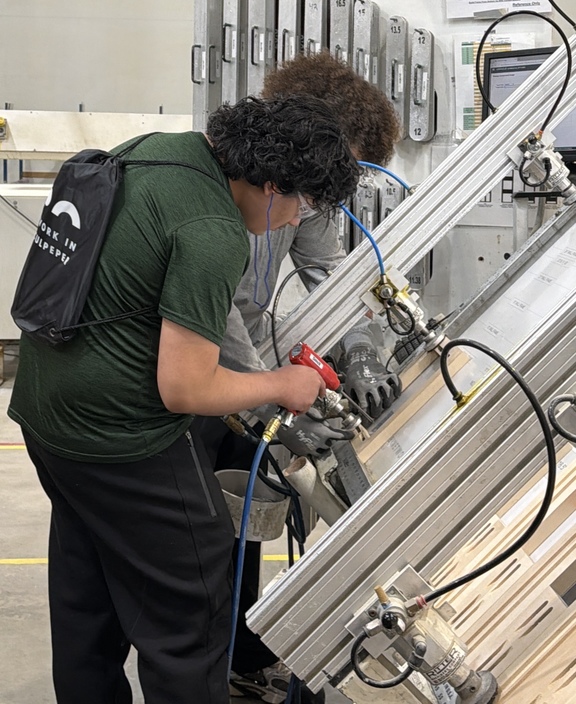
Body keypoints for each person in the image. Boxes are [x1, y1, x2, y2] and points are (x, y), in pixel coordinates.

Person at [7, 94, 360, 704]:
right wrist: (281, 384)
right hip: (122, 439)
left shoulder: (158, 151)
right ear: (270, 182)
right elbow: (186, 387)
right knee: (192, 614)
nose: (297, 218)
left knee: (87, 598)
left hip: (46, 415)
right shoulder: (214, 231)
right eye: (300, 202)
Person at [195, 53, 402, 704]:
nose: (334, 190)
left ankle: (247, 658)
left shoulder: (307, 198)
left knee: (248, 510)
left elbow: (334, 275)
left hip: (246, 358)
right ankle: (204, 670)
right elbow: (215, 304)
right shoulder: (232, 180)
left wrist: (366, 352)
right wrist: (267, 395)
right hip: (200, 362)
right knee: (202, 535)